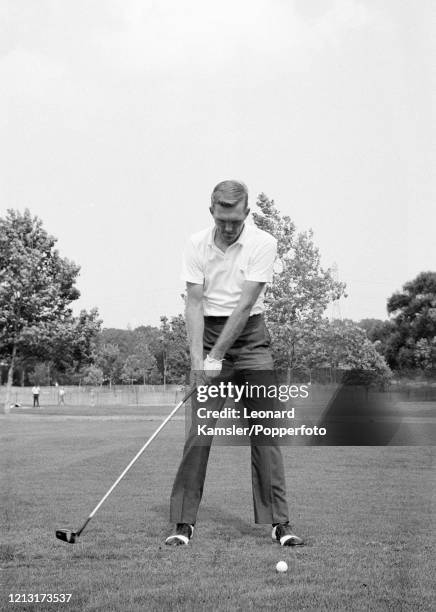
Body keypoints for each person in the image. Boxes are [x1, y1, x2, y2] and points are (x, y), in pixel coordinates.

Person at [165, 180, 303, 547]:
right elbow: (193, 304)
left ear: (247, 213)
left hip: (251, 339)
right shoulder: (196, 244)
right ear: (212, 212)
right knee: (198, 434)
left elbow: (244, 307)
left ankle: (279, 522)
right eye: (222, 219)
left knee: (266, 433)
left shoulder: (263, 243)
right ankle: (182, 523)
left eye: (235, 220)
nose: (228, 227)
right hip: (208, 335)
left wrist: (215, 358)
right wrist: (199, 364)